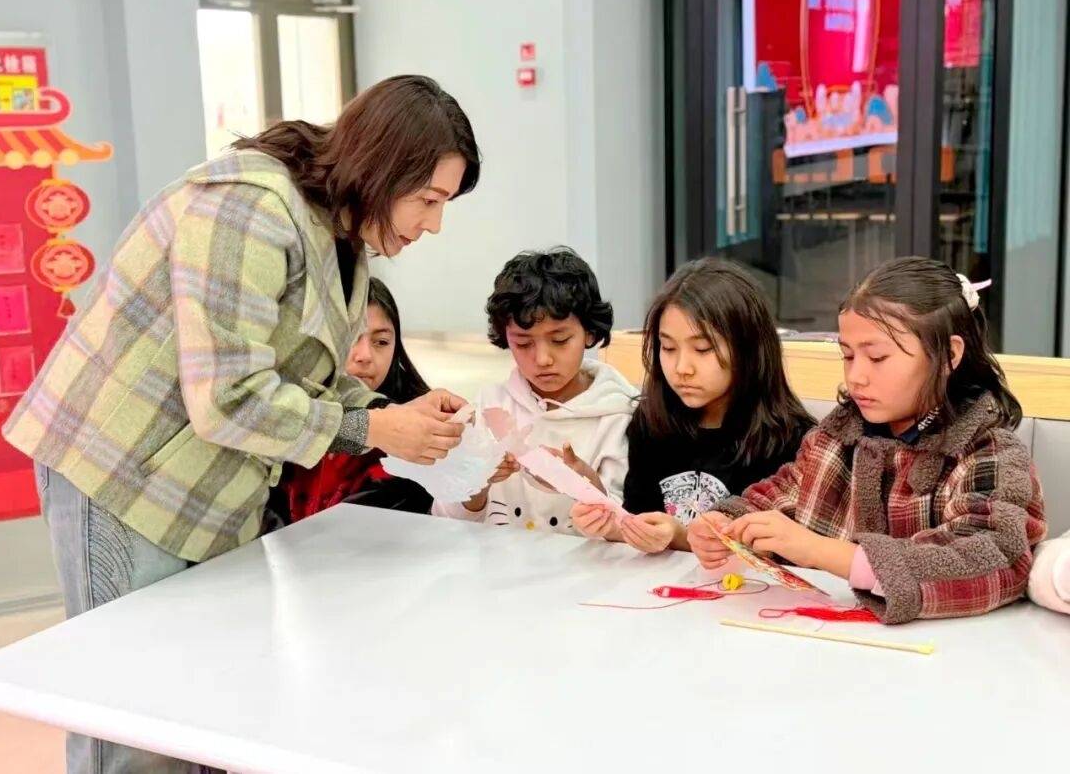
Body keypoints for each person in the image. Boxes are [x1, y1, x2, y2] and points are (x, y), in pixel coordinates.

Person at [3, 74, 479, 773]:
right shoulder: (247, 209)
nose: (432, 224)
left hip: (208, 488)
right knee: (133, 717)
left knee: (200, 703)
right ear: (381, 169)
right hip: (123, 477)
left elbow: (305, 375)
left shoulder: (341, 235)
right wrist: (378, 431)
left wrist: (390, 414)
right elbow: (228, 396)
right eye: (428, 201)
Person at [688, 257, 1047, 624]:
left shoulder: (987, 451)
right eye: (847, 355)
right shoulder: (838, 437)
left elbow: (995, 558)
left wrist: (821, 552)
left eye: (877, 357)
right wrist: (726, 523)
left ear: (949, 355)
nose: (856, 376)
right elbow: (782, 493)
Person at [574, 258, 813, 552]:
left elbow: (782, 555)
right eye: (669, 348)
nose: (682, 367)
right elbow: (640, 519)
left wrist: (680, 537)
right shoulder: (651, 422)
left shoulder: (794, 441)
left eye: (702, 349)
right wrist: (612, 526)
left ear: (749, 349)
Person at [431, 248, 637, 534]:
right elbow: (445, 518)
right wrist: (475, 482)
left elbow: (634, 526)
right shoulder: (490, 405)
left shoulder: (619, 414)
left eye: (560, 339)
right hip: (501, 568)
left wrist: (584, 483)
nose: (542, 359)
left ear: (589, 333)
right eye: (524, 344)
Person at [274, 277, 434, 521]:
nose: (365, 356)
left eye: (381, 342)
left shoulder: (414, 430)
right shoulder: (282, 408)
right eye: (349, 339)